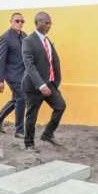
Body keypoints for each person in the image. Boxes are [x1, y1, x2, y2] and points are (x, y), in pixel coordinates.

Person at [22, 11, 66, 150]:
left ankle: (47, 134)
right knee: (32, 115)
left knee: (60, 106)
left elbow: (54, 61)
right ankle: (29, 143)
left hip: (49, 84)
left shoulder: (47, 41)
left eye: (50, 23)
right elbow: (29, 65)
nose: (48, 26)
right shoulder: (28, 41)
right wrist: (40, 85)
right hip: (34, 86)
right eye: (46, 23)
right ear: (37, 23)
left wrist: (55, 82)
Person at [0, 13, 27, 138]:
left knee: (17, 98)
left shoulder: (24, 36)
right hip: (12, 75)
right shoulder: (5, 38)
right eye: (17, 21)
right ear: (11, 22)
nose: (20, 23)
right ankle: (19, 130)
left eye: (22, 21)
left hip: (23, 74)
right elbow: (0, 60)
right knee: (22, 98)